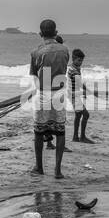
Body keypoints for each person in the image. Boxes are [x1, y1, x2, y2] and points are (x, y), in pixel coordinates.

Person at [30, 19, 70, 177]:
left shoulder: (36, 52)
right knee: (60, 132)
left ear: (40, 34)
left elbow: (34, 74)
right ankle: (58, 170)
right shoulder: (65, 50)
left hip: (43, 93)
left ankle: (39, 167)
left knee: (39, 132)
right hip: (59, 93)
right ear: (56, 32)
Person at [69, 48, 93, 142]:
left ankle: (75, 137)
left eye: (82, 60)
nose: (81, 62)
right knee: (86, 115)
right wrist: (86, 91)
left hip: (74, 94)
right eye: (79, 60)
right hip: (73, 95)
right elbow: (79, 83)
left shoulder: (75, 68)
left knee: (78, 115)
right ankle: (82, 137)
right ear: (73, 59)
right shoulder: (73, 70)